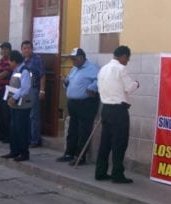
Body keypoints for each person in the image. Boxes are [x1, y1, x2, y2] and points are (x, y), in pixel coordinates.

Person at [96, 45, 139, 184]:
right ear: (123, 56)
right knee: (119, 143)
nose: (128, 61)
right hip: (119, 111)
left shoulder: (103, 69)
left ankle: (100, 172)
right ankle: (117, 174)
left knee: (105, 143)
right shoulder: (121, 69)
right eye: (128, 58)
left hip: (106, 109)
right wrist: (137, 84)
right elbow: (129, 87)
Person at [57, 48, 99, 165]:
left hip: (86, 104)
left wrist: (93, 87)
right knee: (72, 129)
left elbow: (100, 80)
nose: (73, 61)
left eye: (74, 59)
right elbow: (69, 81)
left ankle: (80, 156)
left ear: (81, 58)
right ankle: (69, 153)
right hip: (73, 103)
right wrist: (66, 82)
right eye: (72, 59)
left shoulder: (93, 68)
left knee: (83, 130)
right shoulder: (74, 69)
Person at [2, 50, 33, 162]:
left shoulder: (25, 71)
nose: (9, 63)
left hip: (22, 106)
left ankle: (24, 153)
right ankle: (14, 151)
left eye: (10, 61)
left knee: (21, 129)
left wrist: (14, 97)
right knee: (13, 129)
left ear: (15, 61)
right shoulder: (16, 70)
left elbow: (25, 88)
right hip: (15, 105)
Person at [21, 40, 45, 147]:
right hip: (24, 90)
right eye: (24, 48)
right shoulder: (22, 60)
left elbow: (42, 75)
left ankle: (35, 140)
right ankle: (27, 137)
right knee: (25, 115)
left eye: (28, 48)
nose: (26, 50)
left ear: (32, 49)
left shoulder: (37, 60)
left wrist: (42, 90)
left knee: (33, 115)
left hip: (34, 90)